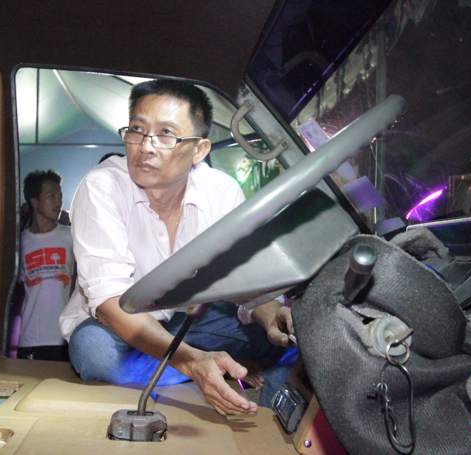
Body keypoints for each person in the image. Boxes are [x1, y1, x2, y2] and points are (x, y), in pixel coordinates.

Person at [60, 80, 294, 415]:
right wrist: (189, 360)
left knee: (293, 342)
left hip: (196, 322)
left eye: (166, 134)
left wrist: (269, 313)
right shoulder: (102, 187)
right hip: (120, 327)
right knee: (94, 353)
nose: (146, 147)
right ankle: (204, 368)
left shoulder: (220, 191)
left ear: (199, 150)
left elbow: (244, 281)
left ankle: (206, 375)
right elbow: (110, 302)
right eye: (137, 130)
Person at [18, 170, 74, 361]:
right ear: (35, 202)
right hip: (31, 338)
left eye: (60, 196)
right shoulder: (20, 242)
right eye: (51, 196)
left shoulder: (71, 236)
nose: (58, 202)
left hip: (65, 337)